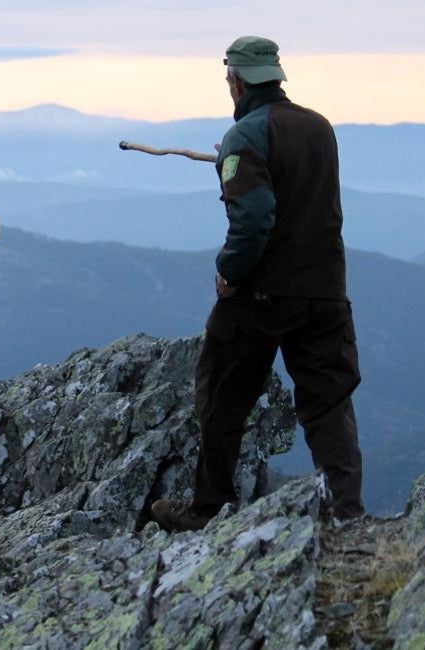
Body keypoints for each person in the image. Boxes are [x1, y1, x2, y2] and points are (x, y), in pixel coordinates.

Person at [151, 36, 365, 532]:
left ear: (236, 80)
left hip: (262, 296)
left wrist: (229, 272)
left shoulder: (245, 136)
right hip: (327, 291)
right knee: (329, 402)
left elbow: (254, 220)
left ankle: (209, 507)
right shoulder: (320, 127)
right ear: (277, 75)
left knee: (222, 394)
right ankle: (347, 513)